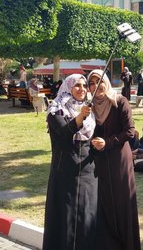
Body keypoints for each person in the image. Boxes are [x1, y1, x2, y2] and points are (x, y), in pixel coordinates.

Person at [43, 74, 97, 250]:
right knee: (67, 215)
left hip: (88, 169)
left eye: (84, 85)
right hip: (65, 169)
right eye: (77, 86)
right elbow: (64, 134)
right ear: (68, 87)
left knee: (87, 213)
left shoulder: (91, 109)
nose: (82, 89)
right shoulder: (56, 110)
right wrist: (80, 117)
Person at [88, 69, 141, 250]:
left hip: (119, 158)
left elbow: (130, 131)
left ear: (107, 82)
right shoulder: (89, 106)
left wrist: (108, 142)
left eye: (99, 81)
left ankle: (127, 244)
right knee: (104, 201)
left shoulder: (119, 102)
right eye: (92, 83)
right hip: (100, 160)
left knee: (122, 201)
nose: (96, 86)